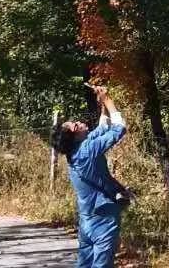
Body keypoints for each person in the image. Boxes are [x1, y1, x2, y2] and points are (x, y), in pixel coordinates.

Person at [51, 83, 128, 268]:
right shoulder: (87, 150)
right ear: (75, 136)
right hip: (103, 218)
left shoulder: (76, 151)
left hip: (87, 220)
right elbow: (119, 129)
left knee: (84, 264)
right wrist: (109, 100)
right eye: (75, 125)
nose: (79, 122)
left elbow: (103, 129)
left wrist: (102, 103)